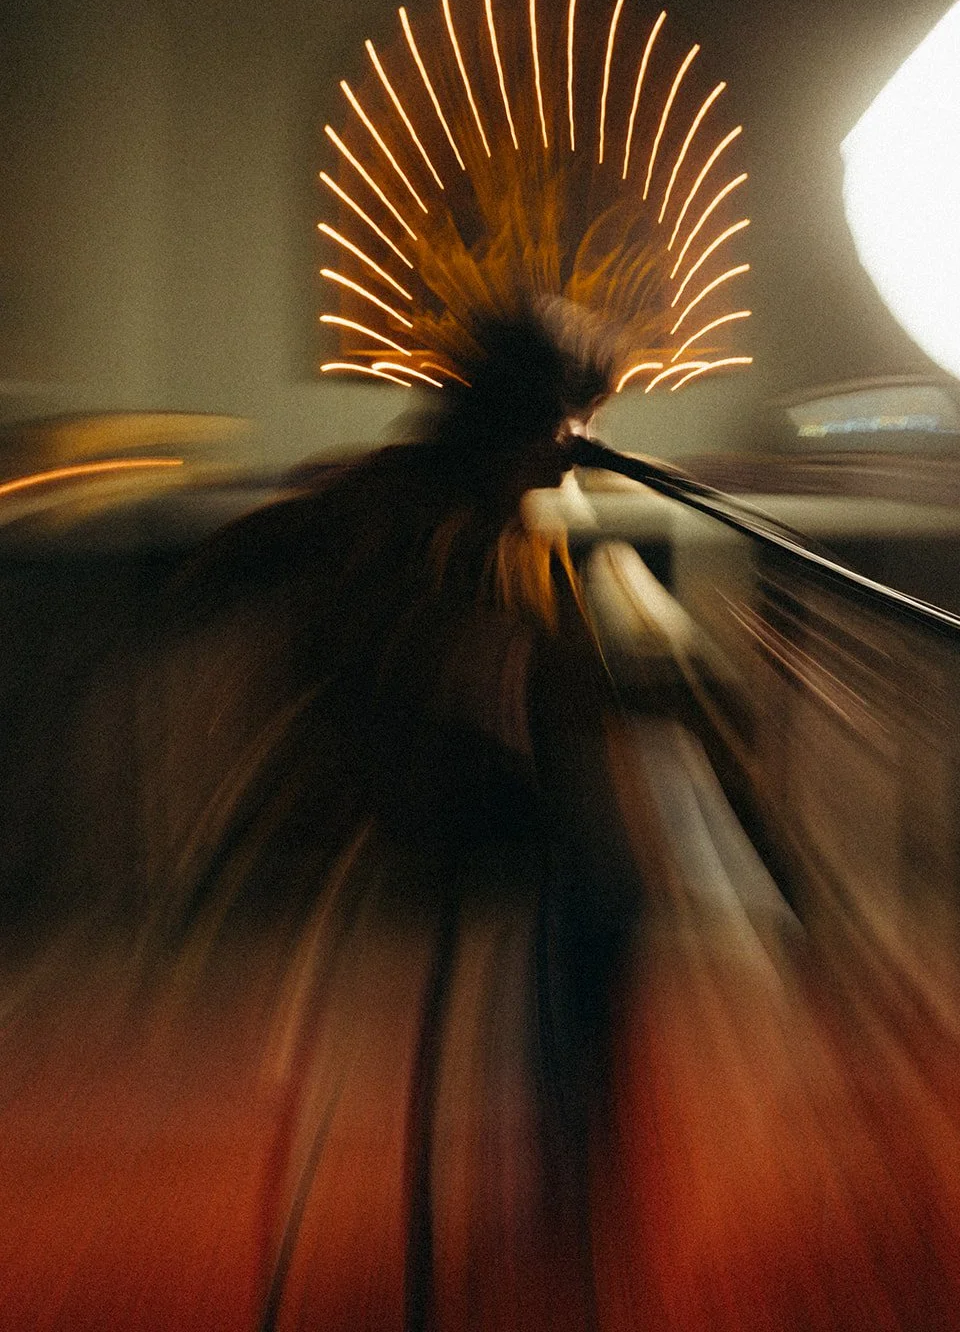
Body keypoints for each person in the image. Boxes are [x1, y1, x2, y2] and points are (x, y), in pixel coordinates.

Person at [145, 301, 646, 1331]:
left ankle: (569, 1164)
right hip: (418, 812)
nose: (577, 453)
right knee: (605, 882)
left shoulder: (486, 520)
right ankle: (569, 1168)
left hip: (467, 807)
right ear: (521, 415)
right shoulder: (402, 511)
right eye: (571, 422)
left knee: (612, 879)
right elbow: (215, 578)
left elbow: (562, 690)